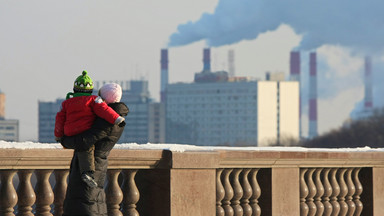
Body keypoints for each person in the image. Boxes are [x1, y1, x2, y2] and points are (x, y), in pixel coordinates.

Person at [61, 83, 129, 216]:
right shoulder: (114, 117)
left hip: (91, 165)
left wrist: (64, 140)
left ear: (103, 99)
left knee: (85, 201)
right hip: (97, 163)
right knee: (92, 201)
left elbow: (86, 140)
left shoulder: (107, 120)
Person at [54, 71, 125, 187]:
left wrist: (58, 135)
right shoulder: (94, 100)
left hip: (69, 133)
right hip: (84, 130)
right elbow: (105, 111)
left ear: (74, 89)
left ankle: (86, 173)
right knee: (87, 147)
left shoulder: (66, 103)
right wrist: (117, 119)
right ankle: (87, 173)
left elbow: (59, 120)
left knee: (83, 147)